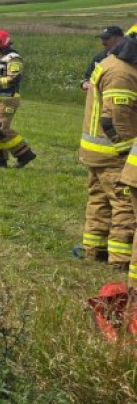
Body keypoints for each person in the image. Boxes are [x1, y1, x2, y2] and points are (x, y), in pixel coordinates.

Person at [79, 35, 137, 269]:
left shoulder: (112, 63)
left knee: (99, 201)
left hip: (98, 151)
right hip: (114, 151)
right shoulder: (123, 73)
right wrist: (129, 154)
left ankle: (94, 249)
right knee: (124, 205)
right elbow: (116, 121)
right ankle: (120, 260)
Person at [0, 29, 36, 168]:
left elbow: (14, 79)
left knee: (1, 128)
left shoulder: (13, 58)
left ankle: (24, 153)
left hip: (7, 99)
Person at [81, 26, 125, 91]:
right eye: (102, 39)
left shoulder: (131, 57)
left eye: (106, 39)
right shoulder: (99, 58)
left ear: (119, 39)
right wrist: (85, 83)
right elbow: (87, 77)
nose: (103, 43)